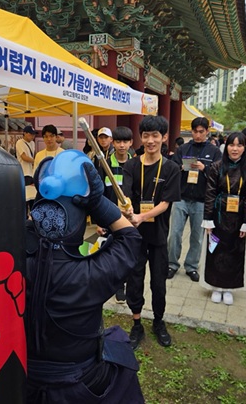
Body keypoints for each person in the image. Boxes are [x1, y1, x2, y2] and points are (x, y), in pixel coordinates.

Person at [25, 156, 144, 403]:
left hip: (22, 378)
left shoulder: (11, 264)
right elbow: (130, 237)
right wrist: (99, 203)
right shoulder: (91, 274)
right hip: (80, 381)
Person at [121, 115, 181, 349]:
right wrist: (126, 208)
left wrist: (141, 216)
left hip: (157, 234)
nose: (150, 141)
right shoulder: (131, 166)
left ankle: (158, 321)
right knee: (134, 280)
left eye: (155, 135)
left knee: (158, 281)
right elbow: (125, 195)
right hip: (135, 235)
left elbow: (165, 203)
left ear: (164, 137)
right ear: (141, 138)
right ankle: (137, 323)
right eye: (146, 136)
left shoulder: (171, 168)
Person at [202, 132, 246, 305]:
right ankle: (216, 286)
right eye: (232, 145)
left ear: (244, 148)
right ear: (226, 147)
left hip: (238, 216)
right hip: (218, 214)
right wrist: (208, 219)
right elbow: (210, 193)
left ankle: (229, 288)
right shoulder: (217, 166)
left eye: (239, 145)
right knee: (216, 250)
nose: (235, 149)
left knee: (235, 252)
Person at [167, 117, 221, 282]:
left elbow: (219, 173)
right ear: (191, 132)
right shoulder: (183, 149)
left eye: (201, 132)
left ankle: (191, 266)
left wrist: (205, 168)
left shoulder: (214, 151)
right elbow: (172, 168)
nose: (198, 135)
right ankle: (171, 264)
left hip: (201, 200)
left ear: (207, 132)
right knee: (175, 233)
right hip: (181, 198)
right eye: (195, 131)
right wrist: (181, 167)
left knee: (197, 236)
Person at [96, 126, 134, 304]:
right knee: (110, 251)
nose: (122, 145)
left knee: (127, 252)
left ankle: (123, 285)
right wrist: (99, 221)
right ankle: (113, 283)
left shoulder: (136, 164)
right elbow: (99, 194)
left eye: (125, 141)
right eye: (118, 141)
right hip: (110, 216)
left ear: (131, 143)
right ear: (113, 142)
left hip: (130, 218)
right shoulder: (105, 164)